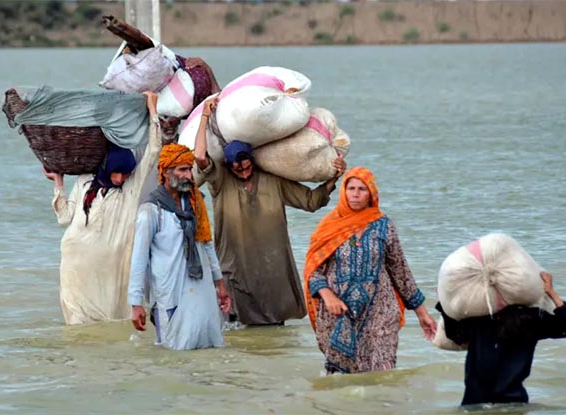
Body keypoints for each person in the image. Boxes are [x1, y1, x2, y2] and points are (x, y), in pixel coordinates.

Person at [192, 97, 347, 326]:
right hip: (234, 266)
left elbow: (311, 201)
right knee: (234, 325)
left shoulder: (273, 179)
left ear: (253, 162)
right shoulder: (221, 181)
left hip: (272, 268)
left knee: (274, 324)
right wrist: (205, 116)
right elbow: (199, 156)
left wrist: (333, 177)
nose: (244, 172)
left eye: (247, 167)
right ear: (229, 167)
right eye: (238, 169)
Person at [303, 167, 437, 374]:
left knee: (383, 374)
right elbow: (313, 270)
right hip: (338, 313)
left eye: (362, 189)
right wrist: (327, 295)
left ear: (371, 194)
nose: (356, 194)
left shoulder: (383, 225)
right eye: (351, 188)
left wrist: (422, 313)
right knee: (341, 381)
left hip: (380, 312)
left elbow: (400, 271)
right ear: (344, 192)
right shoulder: (329, 227)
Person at [44, 91, 161, 325]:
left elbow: (153, 151)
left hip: (111, 265)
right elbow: (64, 218)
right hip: (76, 261)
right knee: (77, 321)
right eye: (118, 173)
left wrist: (153, 111)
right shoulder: (85, 182)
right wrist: (58, 182)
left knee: (112, 317)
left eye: (125, 174)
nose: (121, 178)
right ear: (107, 167)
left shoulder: (130, 189)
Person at [128, 142, 231, 350]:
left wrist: (220, 284)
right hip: (169, 293)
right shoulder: (150, 211)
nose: (189, 176)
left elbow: (207, 244)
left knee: (208, 346)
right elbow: (139, 259)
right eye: (182, 170)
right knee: (173, 353)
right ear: (166, 172)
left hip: (201, 289)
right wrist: (136, 303)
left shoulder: (195, 204)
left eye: (189, 170)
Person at [437, 271, 566, 407]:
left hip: (475, 403)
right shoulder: (532, 318)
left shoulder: (478, 318)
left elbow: (456, 336)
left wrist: (445, 301)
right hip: (514, 403)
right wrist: (550, 292)